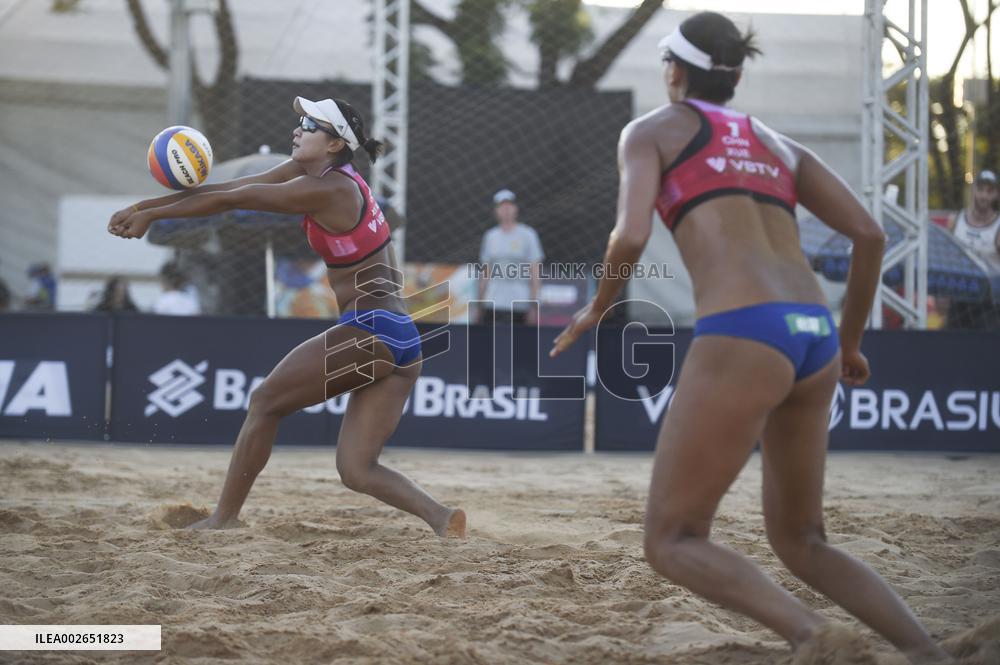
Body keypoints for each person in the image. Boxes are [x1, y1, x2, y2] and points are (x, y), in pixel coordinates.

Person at [551, 12, 953, 665]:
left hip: (746, 331)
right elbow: (871, 235)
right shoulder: (778, 144)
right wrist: (850, 343)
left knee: (673, 539)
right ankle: (927, 651)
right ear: (735, 79)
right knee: (803, 539)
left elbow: (630, 235)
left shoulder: (650, 132)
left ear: (675, 72)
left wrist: (598, 307)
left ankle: (815, 635)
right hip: (814, 336)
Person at [108, 95, 465, 537]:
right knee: (357, 470)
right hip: (401, 338)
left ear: (335, 144)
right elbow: (231, 188)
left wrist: (149, 214)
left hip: (372, 328)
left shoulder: (330, 189)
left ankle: (223, 519)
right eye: (302, 121)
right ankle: (443, 517)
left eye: (311, 124)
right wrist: (143, 208)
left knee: (264, 402)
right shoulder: (319, 175)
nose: (298, 129)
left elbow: (235, 199)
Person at [477, 189, 544, 325]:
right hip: (493, 303)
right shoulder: (490, 236)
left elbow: (535, 272)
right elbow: (485, 273)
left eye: (509, 205)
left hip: (520, 304)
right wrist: (479, 303)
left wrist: (534, 305)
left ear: (515, 209)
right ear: (496, 211)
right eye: (502, 206)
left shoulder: (528, 235)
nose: (506, 210)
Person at [946, 170, 1000, 330]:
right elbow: (947, 259)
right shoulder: (955, 220)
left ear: (996, 194)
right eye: (980, 189)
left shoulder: (997, 227)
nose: (984, 196)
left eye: (989, 191)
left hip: (989, 302)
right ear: (973, 190)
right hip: (959, 295)